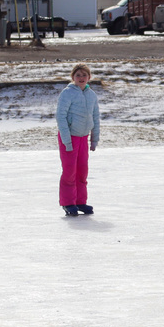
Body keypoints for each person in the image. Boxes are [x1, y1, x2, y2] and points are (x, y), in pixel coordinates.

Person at [56, 62, 100, 217]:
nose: (81, 77)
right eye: (78, 75)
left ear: (89, 77)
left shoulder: (91, 95)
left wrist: (94, 139)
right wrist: (67, 141)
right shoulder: (67, 93)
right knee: (70, 171)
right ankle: (68, 203)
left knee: (82, 171)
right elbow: (61, 116)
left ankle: (80, 201)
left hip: (83, 138)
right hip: (69, 137)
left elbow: (95, 117)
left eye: (84, 75)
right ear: (73, 77)